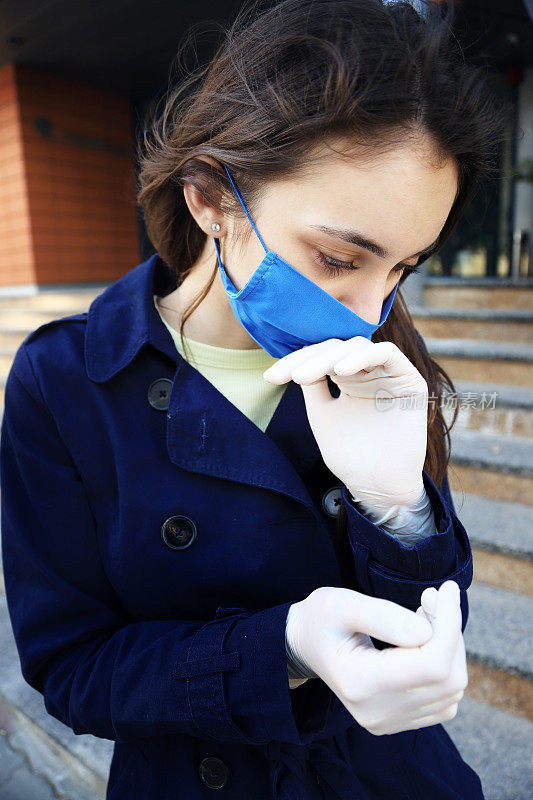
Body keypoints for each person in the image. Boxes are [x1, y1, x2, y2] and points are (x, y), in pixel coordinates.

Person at [0, 0, 509, 798]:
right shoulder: (66, 380)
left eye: (403, 268)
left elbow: (432, 623)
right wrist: (281, 649)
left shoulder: (381, 368)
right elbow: (72, 668)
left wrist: (398, 511)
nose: (368, 311)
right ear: (210, 199)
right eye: (340, 257)